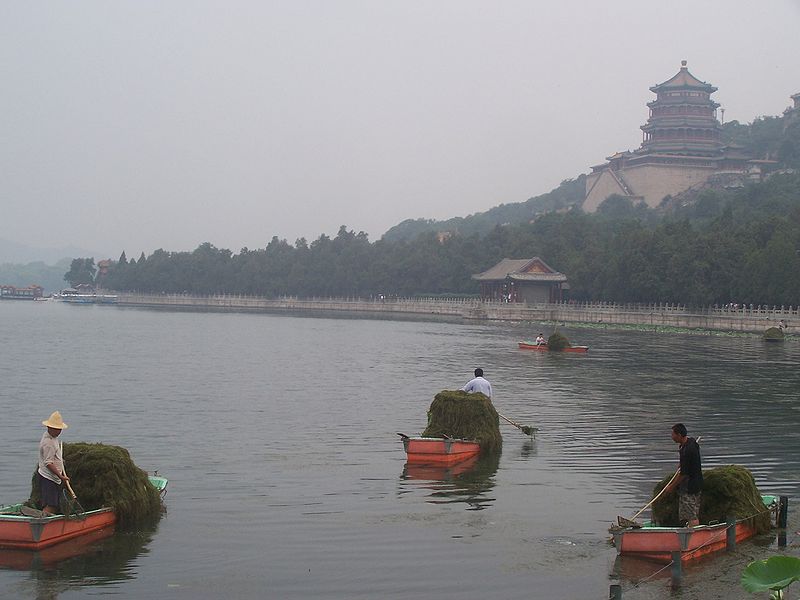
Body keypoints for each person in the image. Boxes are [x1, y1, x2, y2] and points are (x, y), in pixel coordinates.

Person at [663, 423, 703, 527]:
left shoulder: (688, 450)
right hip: (697, 483)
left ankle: (693, 534)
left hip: (690, 487)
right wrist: (683, 463)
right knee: (692, 512)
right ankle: (689, 530)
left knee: (691, 515)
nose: (672, 437)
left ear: (679, 435)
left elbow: (683, 474)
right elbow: (690, 461)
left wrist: (671, 487)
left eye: (673, 434)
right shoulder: (690, 442)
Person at [38, 411, 70, 515]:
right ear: (50, 428)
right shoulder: (49, 442)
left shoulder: (52, 437)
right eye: (57, 429)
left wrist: (60, 461)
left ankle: (50, 520)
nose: (59, 431)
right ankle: (42, 521)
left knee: (54, 504)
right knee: (50, 505)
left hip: (53, 479)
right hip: (48, 478)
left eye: (60, 429)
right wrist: (60, 476)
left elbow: (53, 456)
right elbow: (48, 463)